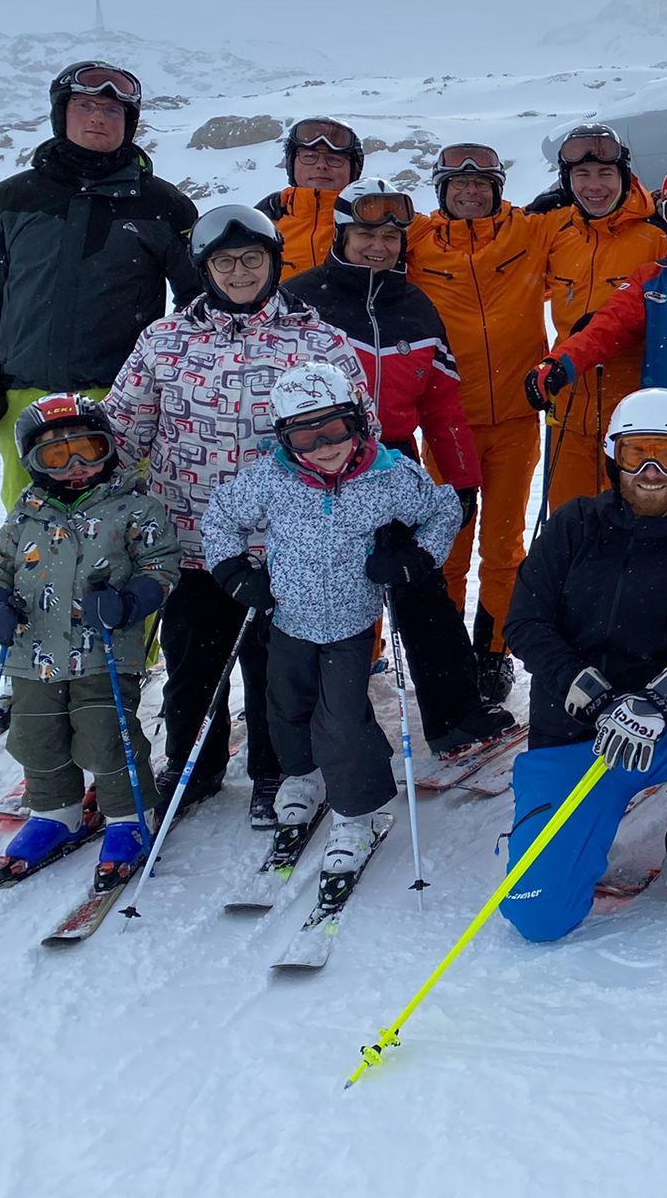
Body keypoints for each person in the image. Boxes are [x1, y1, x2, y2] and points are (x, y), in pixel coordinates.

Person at [103, 205, 373, 824]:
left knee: (277, 667)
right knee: (193, 660)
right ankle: (192, 766)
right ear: (204, 270)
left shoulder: (319, 341)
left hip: (289, 545)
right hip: (191, 536)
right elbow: (123, 431)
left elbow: (360, 437)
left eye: (253, 258)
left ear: (275, 261)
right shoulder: (165, 341)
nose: (240, 271)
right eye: (224, 261)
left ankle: (276, 769)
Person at [499, 390, 667, 943]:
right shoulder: (573, 525)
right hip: (574, 742)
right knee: (539, 919)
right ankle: (566, 835)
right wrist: (598, 700)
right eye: (635, 454)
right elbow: (526, 623)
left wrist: (658, 703)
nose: (651, 472)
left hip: (655, 734)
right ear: (613, 458)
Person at [285, 174, 512, 753]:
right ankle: (308, 725)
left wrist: (461, 479)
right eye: (366, 234)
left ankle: (455, 715)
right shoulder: (301, 301)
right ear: (341, 234)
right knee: (321, 595)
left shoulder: (415, 305)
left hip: (392, 466)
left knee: (420, 585)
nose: (379, 246)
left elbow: (442, 404)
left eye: (391, 236)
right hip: (315, 467)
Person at [203, 364, 460, 873]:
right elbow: (221, 517)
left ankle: (355, 810)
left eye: (335, 429)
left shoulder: (389, 476)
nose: (323, 447)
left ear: (358, 421)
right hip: (287, 616)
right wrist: (234, 573)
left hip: (351, 621)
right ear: (284, 437)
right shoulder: (271, 478)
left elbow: (443, 510)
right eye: (305, 436)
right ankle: (303, 775)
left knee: (342, 718)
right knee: (285, 706)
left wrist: (415, 557)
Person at [0, 61, 198, 508]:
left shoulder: (164, 204)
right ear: (61, 114)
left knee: (124, 524)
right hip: (24, 394)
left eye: (112, 110)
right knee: (32, 524)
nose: (98, 118)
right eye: (85, 106)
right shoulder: (13, 197)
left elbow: (196, 304)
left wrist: (177, 383)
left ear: (129, 122)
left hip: (124, 398)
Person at [0, 395, 180, 885]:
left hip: (104, 651)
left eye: (89, 449)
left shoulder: (134, 506)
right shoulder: (26, 513)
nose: (77, 465)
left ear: (109, 449)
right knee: (35, 738)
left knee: (106, 737)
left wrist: (131, 601)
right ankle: (55, 812)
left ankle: (128, 816)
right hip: (31, 653)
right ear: (34, 462)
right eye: (57, 456)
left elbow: (162, 564)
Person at [406, 143, 572, 703]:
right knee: (448, 545)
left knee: (503, 548)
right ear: (442, 191)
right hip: (447, 422)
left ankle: (492, 652)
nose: (471, 192)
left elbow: (599, 215)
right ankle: (446, 649)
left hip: (517, 419)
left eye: (481, 184)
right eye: (459, 184)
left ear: (499, 188)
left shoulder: (530, 231)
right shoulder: (418, 240)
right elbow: (361, 242)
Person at [526, 162, 667, 537]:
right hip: (661, 443)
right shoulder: (651, 279)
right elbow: (606, 327)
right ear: (666, 218)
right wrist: (560, 363)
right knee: (655, 541)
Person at [536, 124, 667, 512]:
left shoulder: (657, 236)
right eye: (582, 174)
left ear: (624, 175)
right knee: (569, 523)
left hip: (632, 416)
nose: (594, 186)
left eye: (605, 174)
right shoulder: (556, 231)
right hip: (568, 411)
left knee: (632, 523)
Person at [254, 118, 365, 281]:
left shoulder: (379, 224)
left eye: (334, 159)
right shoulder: (260, 225)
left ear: (353, 170)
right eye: (309, 156)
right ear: (292, 164)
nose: (321, 165)